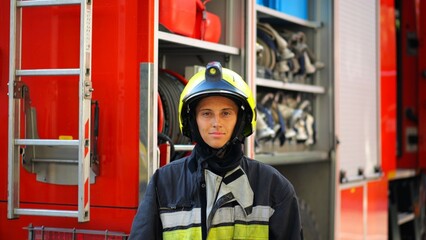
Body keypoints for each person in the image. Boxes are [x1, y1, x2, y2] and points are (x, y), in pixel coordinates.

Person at [129, 61, 303, 240]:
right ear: (192, 121)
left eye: (226, 113)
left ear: (241, 120)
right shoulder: (164, 183)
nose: (216, 122)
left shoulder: (273, 187)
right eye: (206, 113)